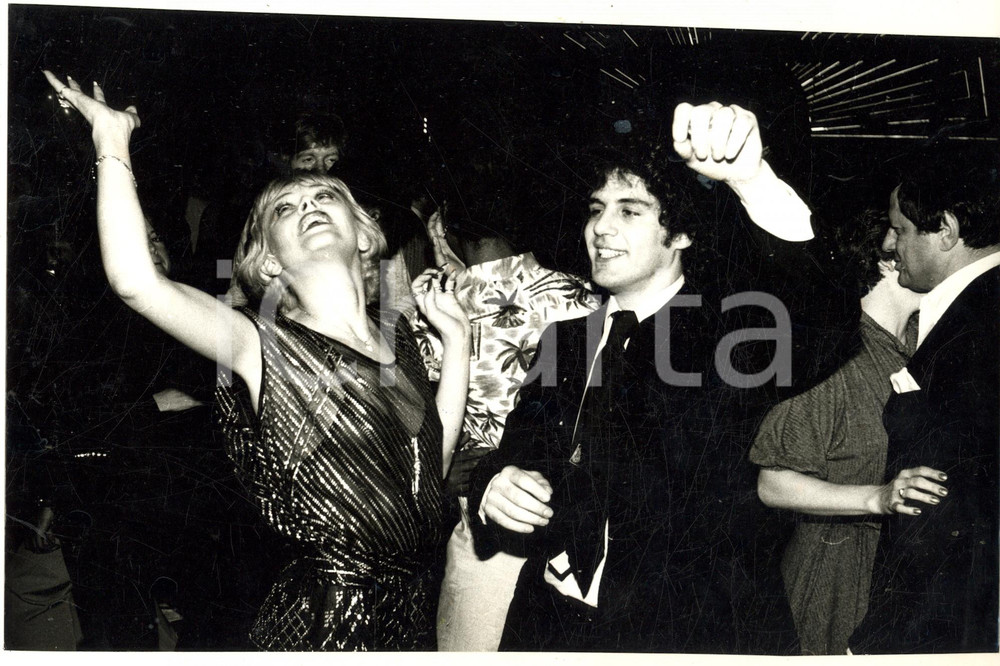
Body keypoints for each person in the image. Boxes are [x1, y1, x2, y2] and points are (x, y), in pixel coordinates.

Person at [43, 70, 471, 651]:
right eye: (285, 209)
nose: (310, 204)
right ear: (267, 264)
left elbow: (430, 465)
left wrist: (458, 342)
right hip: (326, 626)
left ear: (365, 234)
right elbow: (136, 282)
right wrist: (111, 142)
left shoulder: (398, 340)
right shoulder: (258, 342)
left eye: (325, 196)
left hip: (414, 615)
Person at [468, 101, 857, 652]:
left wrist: (753, 179)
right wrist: (493, 486)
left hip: (684, 637)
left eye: (630, 211)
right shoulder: (565, 341)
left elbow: (830, 317)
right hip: (552, 629)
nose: (600, 228)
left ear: (681, 235)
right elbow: (514, 454)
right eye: (596, 208)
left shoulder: (729, 334)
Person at [413, 159, 601, 651]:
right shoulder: (583, 299)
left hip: (479, 534)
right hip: (572, 539)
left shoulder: (430, 314)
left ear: (448, 227)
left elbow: (424, 456)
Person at [749, 209, 945, 654]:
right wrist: (875, 498)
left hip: (893, 575)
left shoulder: (913, 348)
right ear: (887, 261)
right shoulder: (836, 357)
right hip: (833, 580)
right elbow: (771, 482)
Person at [849, 165, 999, 654]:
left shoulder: (982, 318)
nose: (890, 245)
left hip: (949, 625)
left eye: (900, 229)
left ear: (947, 232)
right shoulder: (966, 307)